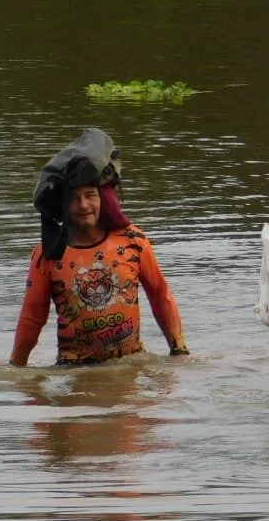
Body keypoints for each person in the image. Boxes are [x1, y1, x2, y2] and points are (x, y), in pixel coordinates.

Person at [10, 131, 188, 366]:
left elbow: (160, 295)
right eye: (74, 198)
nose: (84, 205)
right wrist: (16, 367)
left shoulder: (133, 240)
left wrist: (179, 351)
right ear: (63, 206)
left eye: (90, 195)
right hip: (73, 371)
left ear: (103, 198)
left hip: (131, 363)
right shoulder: (47, 255)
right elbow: (32, 318)